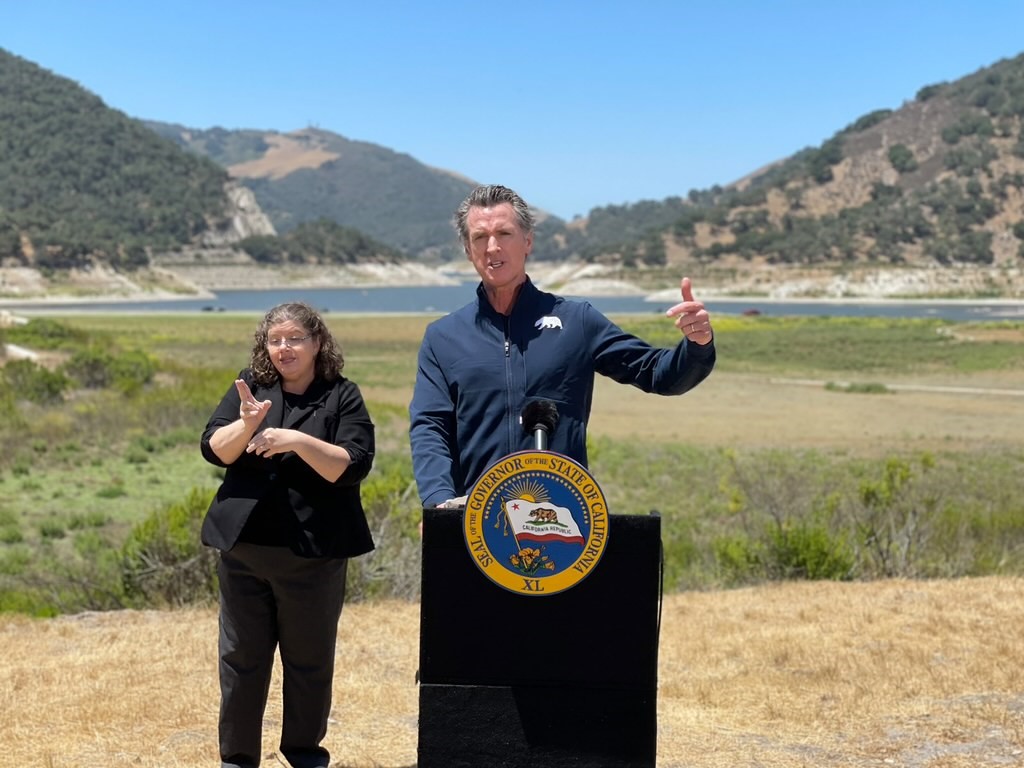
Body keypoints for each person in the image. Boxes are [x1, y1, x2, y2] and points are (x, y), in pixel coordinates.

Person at [409, 184, 716, 509]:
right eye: (480, 237)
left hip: (560, 522)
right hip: (475, 526)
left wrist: (696, 345)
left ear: (528, 241)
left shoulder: (577, 321)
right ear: (469, 250)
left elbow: (658, 374)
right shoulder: (443, 337)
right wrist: (438, 503)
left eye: (504, 233)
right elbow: (430, 427)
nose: (493, 247)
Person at [200, 301, 375, 768]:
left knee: (308, 666)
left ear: (318, 343)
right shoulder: (251, 388)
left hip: (312, 558)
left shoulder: (342, 396)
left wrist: (294, 440)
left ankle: (304, 756)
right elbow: (215, 450)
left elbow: (353, 465)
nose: (284, 348)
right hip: (244, 553)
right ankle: (237, 760)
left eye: (295, 338)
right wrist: (249, 423)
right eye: (275, 340)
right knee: (240, 663)